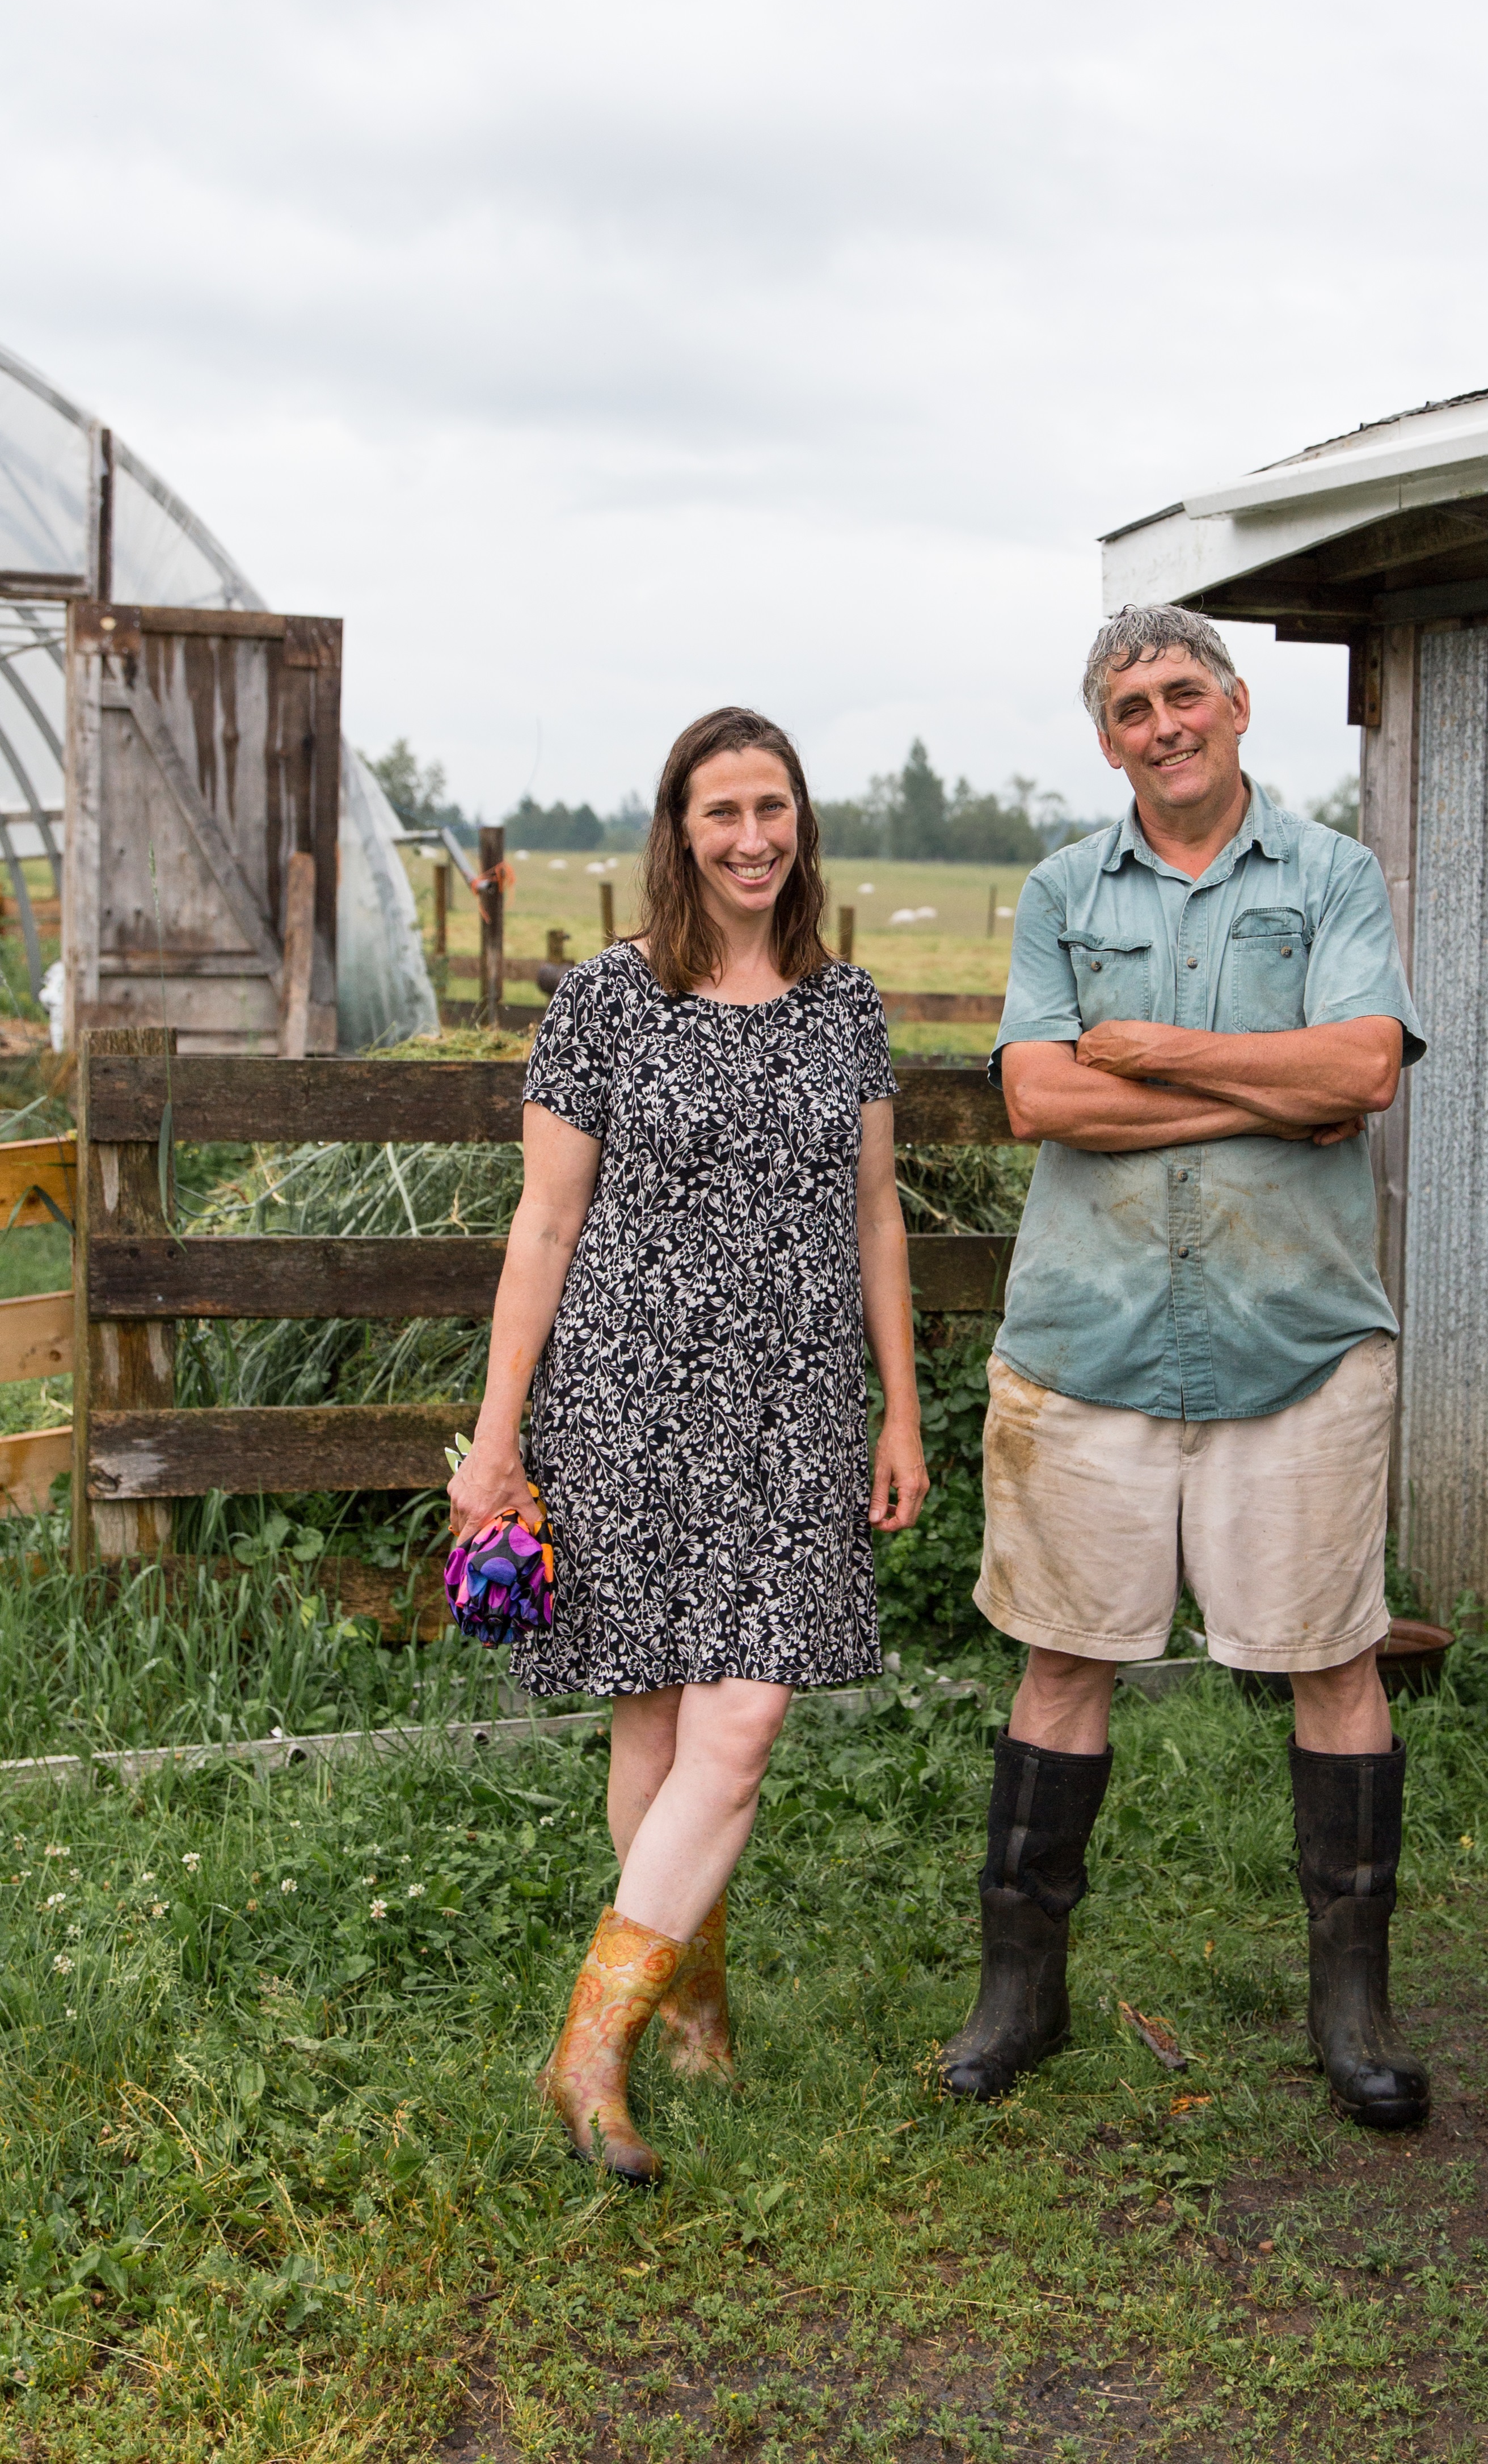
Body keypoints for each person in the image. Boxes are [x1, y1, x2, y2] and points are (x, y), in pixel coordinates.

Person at [938, 604, 1430, 2129]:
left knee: (1333, 1657)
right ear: (1108, 741)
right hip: (1091, 1342)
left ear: (1235, 704)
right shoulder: (1062, 890)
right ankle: (1021, 1993)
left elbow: (1363, 1068)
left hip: (1297, 1341)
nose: (1163, 725)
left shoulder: (1332, 876)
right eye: (1132, 709)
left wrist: (1149, 1054)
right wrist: (1262, 1095)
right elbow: (1035, 1096)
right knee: (1064, 1653)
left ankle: (1353, 2009)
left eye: (1182, 694)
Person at [447, 707, 928, 2183]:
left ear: (802, 821)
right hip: (625, 1400)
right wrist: (494, 1439)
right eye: (721, 811)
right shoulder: (604, 1000)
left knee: (743, 1719)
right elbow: (546, 1221)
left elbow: (874, 1217)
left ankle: (589, 2040)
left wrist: (901, 1405)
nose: (751, 838)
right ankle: (692, 1996)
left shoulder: (844, 1006)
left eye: (772, 807)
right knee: (655, 1721)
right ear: (679, 828)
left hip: (794, 1409)